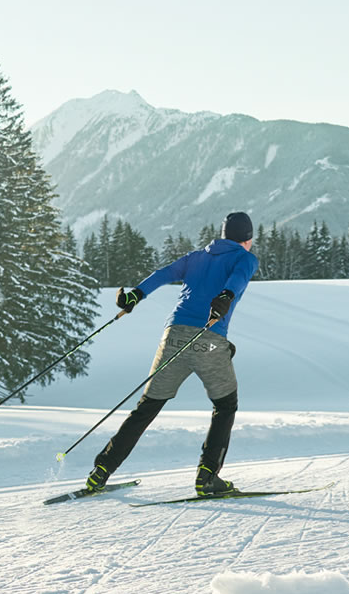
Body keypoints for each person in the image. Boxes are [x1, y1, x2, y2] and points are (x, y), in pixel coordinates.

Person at [87, 211, 261, 497]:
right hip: (209, 337)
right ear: (246, 239)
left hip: (173, 336)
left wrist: (136, 295)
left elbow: (163, 274)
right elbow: (239, 279)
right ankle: (207, 477)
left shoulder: (196, 257)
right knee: (225, 405)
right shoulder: (245, 258)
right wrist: (226, 296)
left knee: (146, 408)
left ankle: (100, 471)